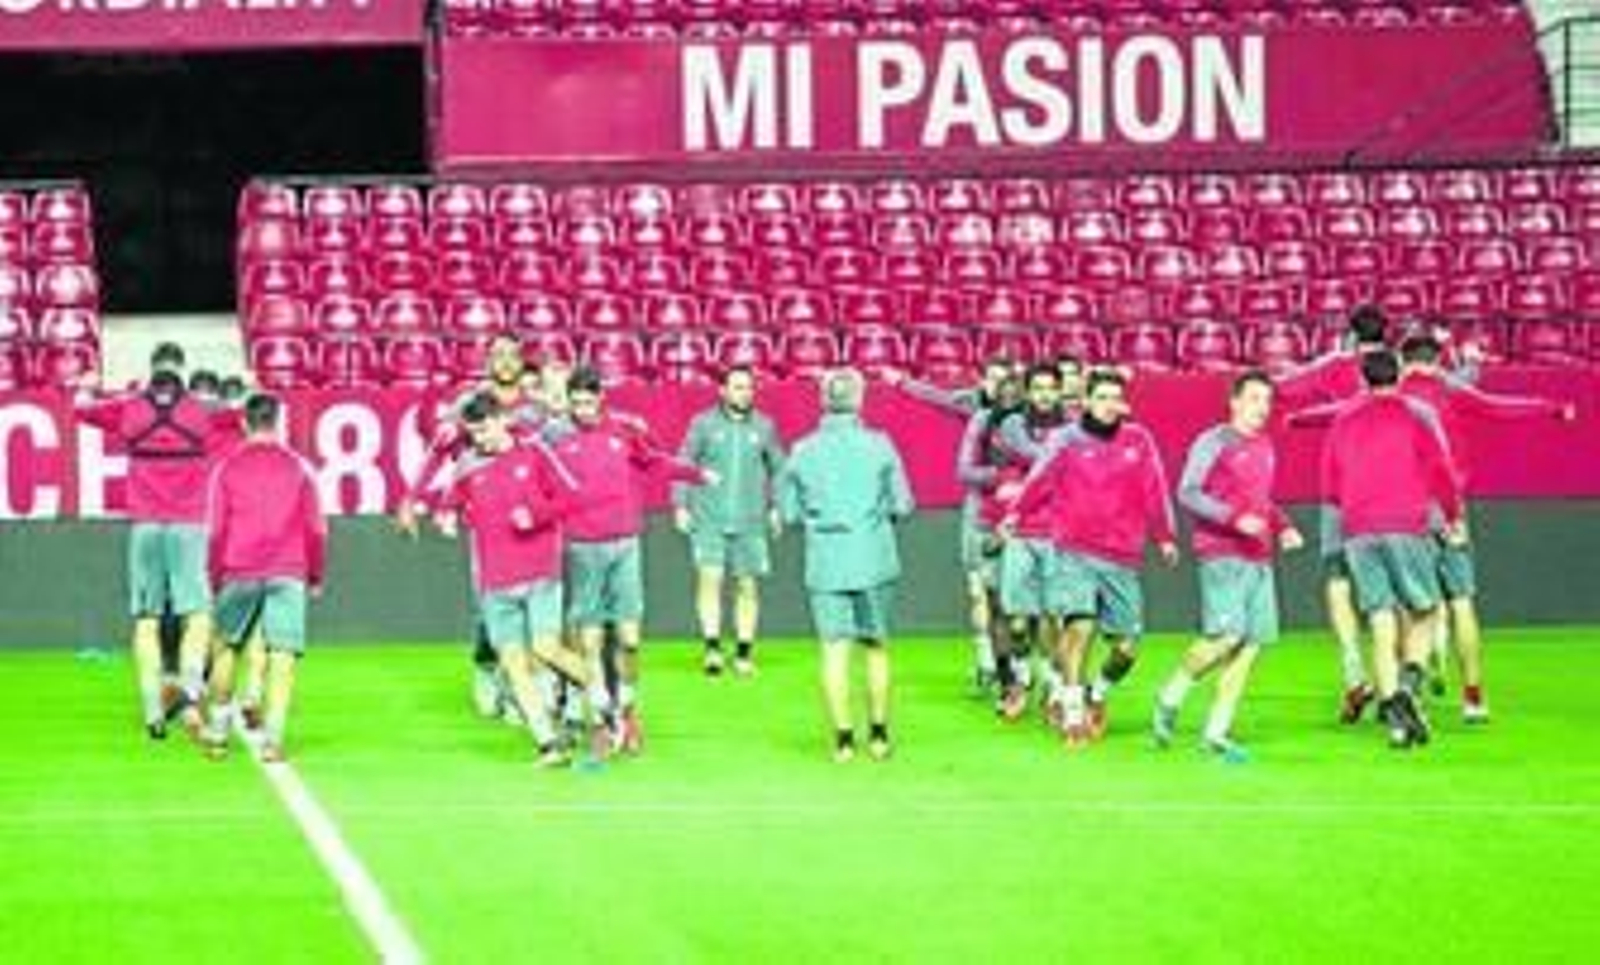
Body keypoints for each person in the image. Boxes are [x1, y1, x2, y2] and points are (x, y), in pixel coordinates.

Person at [1005, 369, 1178, 748]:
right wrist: (1016, 512)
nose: (1109, 405)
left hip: (1122, 555)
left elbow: (1155, 487)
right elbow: (1040, 477)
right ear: (1085, 401)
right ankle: (1072, 713)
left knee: (1127, 647)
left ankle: (1096, 693)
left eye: (1115, 398)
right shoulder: (1065, 439)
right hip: (1074, 550)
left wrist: (1164, 535)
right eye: (1101, 397)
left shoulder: (1139, 439)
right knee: (1079, 628)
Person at [76, 342, 235, 740]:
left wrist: (87, 385)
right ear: (182, 369)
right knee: (196, 615)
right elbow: (253, 414)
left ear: (152, 369)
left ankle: (152, 714)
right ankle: (190, 688)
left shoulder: (128, 407)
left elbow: (80, 408)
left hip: (145, 526)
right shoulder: (204, 411)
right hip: (189, 526)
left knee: (146, 620)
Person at [552, 366, 711, 755]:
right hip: (581, 548)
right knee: (589, 640)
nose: (583, 410)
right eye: (576, 403)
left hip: (625, 545)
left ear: (600, 398)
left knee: (630, 639)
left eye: (589, 402)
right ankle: (603, 719)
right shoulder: (554, 437)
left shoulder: (624, 430)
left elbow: (655, 461)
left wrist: (695, 474)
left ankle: (627, 711)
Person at [397, 335, 554, 719]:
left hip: (534, 524)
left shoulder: (539, 412)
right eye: (496, 354)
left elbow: (559, 460)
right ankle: (487, 668)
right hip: (487, 523)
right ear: (487, 361)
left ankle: (530, 690)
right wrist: (411, 498)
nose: (503, 361)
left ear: (521, 361)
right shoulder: (469, 407)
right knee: (490, 607)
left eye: (511, 355)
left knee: (539, 611)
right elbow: (438, 449)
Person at [1152, 371, 1304, 762]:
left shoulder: (1266, 445)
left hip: (1259, 554)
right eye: (1253, 399)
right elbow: (1188, 491)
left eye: (1267, 401)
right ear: (1234, 401)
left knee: (1251, 646)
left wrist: (1283, 526)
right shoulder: (1214, 441)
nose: (1262, 408)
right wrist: (1235, 518)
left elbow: (1261, 500)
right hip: (1221, 551)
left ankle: (1216, 733)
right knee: (1226, 636)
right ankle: (1171, 695)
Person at [1321, 350, 1465, 750]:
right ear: (1399, 375)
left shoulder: (1344, 419)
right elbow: (1440, 469)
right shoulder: (1415, 414)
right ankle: (1407, 685)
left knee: (1381, 619)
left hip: (1358, 528)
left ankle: (1397, 724)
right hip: (1405, 521)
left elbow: (1330, 483)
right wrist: (1451, 516)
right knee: (1426, 610)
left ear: (1363, 378)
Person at [438, 393, 591, 767]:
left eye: (485, 429)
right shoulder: (468, 465)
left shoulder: (536, 453)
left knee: (546, 649)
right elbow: (448, 500)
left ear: (503, 419)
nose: (481, 439)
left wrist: (536, 515)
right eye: (473, 433)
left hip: (539, 571)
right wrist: (444, 515)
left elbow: (572, 497)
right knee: (513, 662)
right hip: (495, 581)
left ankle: (606, 703)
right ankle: (548, 743)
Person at [779, 368, 915, 763]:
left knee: (834, 650)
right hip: (874, 559)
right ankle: (878, 734)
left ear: (823, 400)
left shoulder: (803, 450)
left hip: (827, 563)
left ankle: (842, 739)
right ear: (859, 400)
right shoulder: (880, 445)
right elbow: (904, 504)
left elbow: (788, 512)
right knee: (875, 647)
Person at [1277, 304, 1391, 724]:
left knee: (1338, 579)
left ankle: (1353, 671)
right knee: (1389, 589)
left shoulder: (1335, 365)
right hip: (1391, 494)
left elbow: (1282, 389)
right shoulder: (1393, 370)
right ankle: (1391, 684)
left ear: (1350, 333)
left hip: (1341, 491)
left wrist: (1298, 409)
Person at [200, 394, 326, 763]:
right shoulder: (300, 467)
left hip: (240, 566)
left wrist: (213, 574)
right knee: (283, 653)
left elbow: (216, 530)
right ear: (278, 421)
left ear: (244, 423)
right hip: (289, 569)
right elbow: (316, 528)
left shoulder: (226, 468)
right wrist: (316, 573)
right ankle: (272, 740)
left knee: (225, 648)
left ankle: (219, 734)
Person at [889, 357, 1015, 690]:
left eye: (1004, 380)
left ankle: (1021, 666)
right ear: (983, 380)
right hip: (979, 508)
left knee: (1013, 597)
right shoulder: (972, 405)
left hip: (1018, 511)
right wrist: (902, 382)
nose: (998, 386)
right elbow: (937, 397)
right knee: (977, 590)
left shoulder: (1024, 415)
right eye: (992, 378)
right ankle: (987, 663)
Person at [674, 365, 786, 677]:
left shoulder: (765, 427)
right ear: (722, 390)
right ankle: (712, 648)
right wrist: (681, 505)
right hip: (708, 518)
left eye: (749, 387)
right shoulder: (702, 424)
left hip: (751, 521)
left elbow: (780, 468)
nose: (744, 393)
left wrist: (777, 506)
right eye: (737, 387)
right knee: (710, 579)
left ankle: (743, 652)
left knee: (747, 586)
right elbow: (684, 463)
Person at [992, 364, 1069, 719]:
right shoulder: (1012, 424)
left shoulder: (1072, 425)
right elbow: (1033, 457)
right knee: (1018, 620)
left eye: (1050, 388)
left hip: (1058, 534)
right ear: (1028, 391)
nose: (1043, 394)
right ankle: (1022, 677)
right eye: (1037, 388)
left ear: (1059, 390)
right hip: (1019, 532)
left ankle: (1054, 688)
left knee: (1055, 618)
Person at [952, 372, 1023, 694]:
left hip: (1029, 520)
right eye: (998, 388)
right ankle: (993, 669)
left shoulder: (1038, 425)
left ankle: (1026, 667)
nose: (1006, 396)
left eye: (1013, 392)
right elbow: (964, 469)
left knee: (1025, 607)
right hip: (983, 518)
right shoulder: (980, 422)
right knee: (985, 595)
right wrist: (1002, 476)